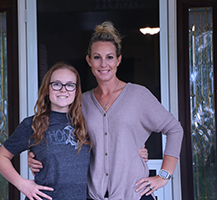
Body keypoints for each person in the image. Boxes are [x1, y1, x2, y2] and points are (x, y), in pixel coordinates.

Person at [29, 21, 183, 200]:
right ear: (89, 60)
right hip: (93, 196)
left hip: (135, 195)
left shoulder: (138, 95)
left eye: (109, 57)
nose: (103, 64)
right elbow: (60, 135)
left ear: (118, 60)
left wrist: (164, 175)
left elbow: (175, 129)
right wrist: (36, 156)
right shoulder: (81, 102)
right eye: (97, 57)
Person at [0, 62, 92, 200]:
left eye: (70, 85)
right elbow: (0, 157)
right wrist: (22, 184)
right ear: (47, 89)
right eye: (56, 84)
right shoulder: (32, 124)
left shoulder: (86, 123)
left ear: (76, 91)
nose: (63, 90)